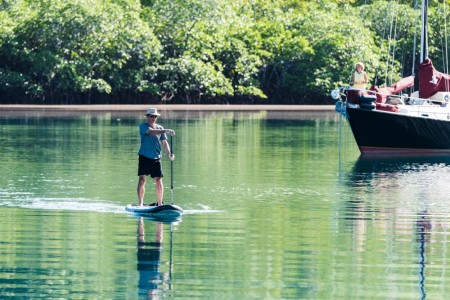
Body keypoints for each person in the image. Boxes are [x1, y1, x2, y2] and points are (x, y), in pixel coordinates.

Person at [137, 107, 175, 207]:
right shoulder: (143, 126)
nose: (153, 118)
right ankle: (140, 203)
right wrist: (166, 130)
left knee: (158, 180)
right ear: (147, 117)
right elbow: (151, 132)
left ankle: (159, 203)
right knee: (142, 179)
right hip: (144, 156)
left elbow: (164, 143)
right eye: (151, 116)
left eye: (155, 116)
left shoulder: (160, 128)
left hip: (156, 158)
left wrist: (170, 154)